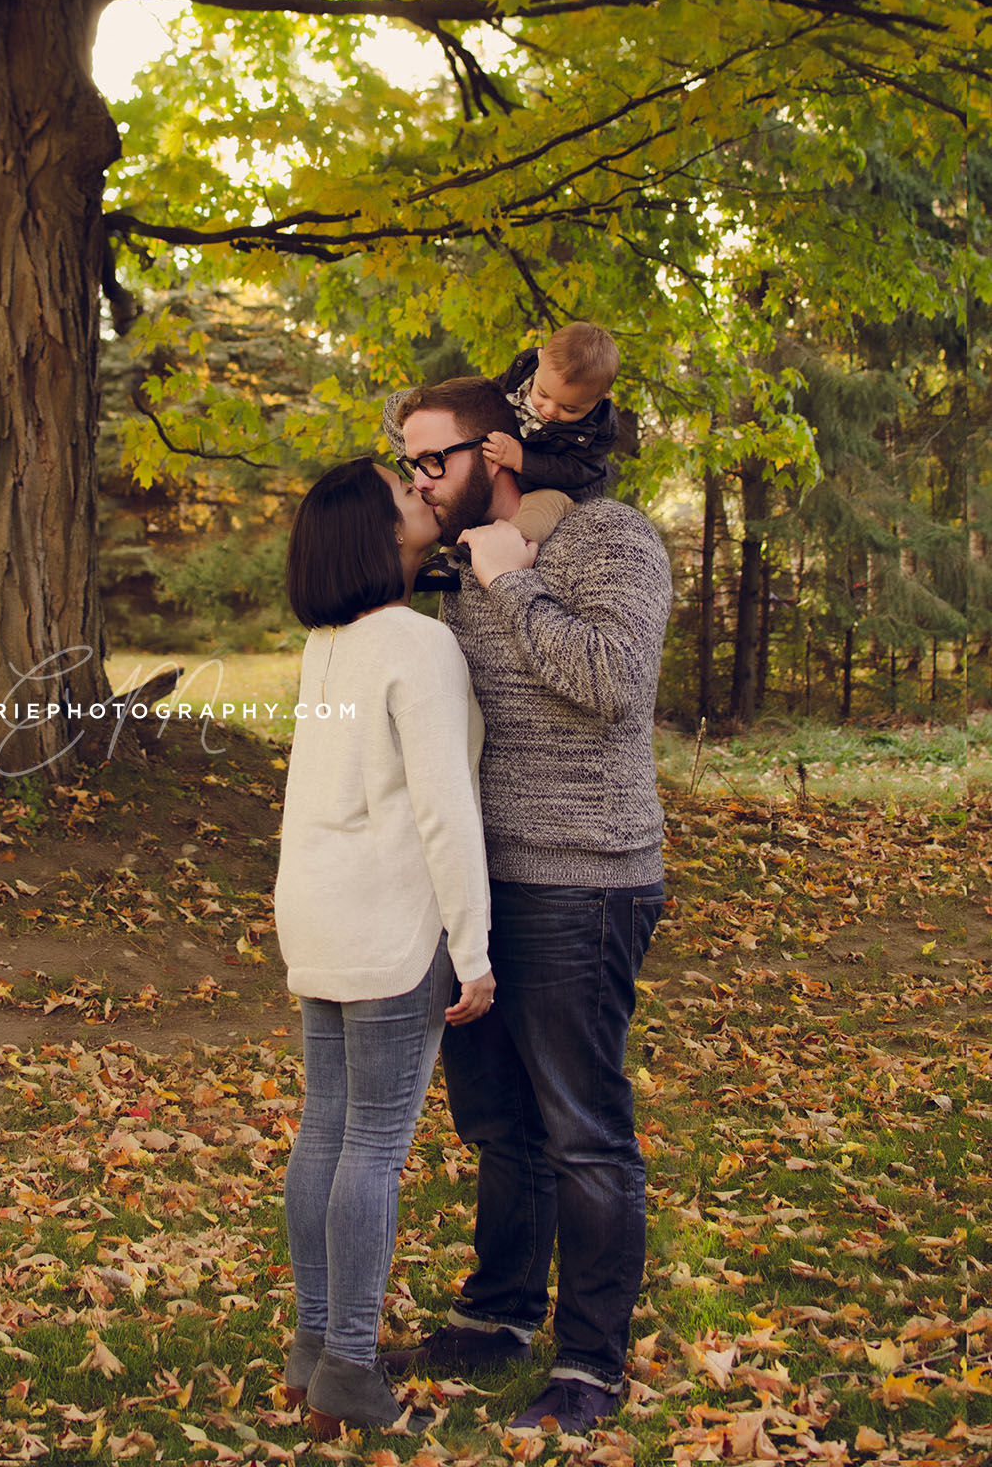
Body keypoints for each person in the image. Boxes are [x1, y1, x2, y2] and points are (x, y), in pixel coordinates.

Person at [381, 375, 671, 1438]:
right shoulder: (449, 566)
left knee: (582, 1130)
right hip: (478, 888)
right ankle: (497, 1316)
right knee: (499, 1124)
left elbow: (610, 680)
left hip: (581, 876)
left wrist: (514, 583)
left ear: (496, 451)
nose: (418, 478)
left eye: (432, 458)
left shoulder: (610, 540)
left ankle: (589, 1362)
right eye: (408, 461)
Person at [274, 456, 496, 1439]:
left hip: (316, 915)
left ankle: (312, 1348)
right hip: (389, 925)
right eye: (404, 496)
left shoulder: (326, 648)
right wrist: (473, 944)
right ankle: (352, 1367)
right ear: (374, 534)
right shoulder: (417, 644)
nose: (423, 499)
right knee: (370, 1142)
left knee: (324, 1129)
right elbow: (447, 812)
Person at [485, 320, 621, 542]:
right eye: (543, 394)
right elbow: (491, 395)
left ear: (601, 397)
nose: (549, 410)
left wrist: (522, 460)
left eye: (569, 408)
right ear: (540, 360)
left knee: (537, 513)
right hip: (511, 462)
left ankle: (512, 545)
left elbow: (577, 471)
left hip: (561, 486)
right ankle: (453, 550)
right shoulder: (522, 371)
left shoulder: (599, 429)